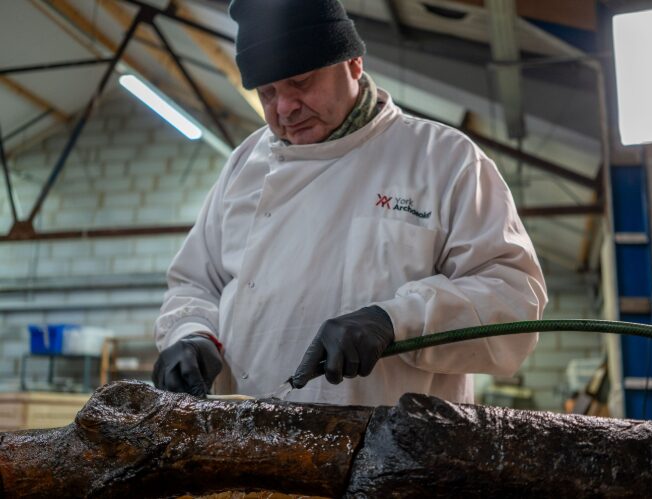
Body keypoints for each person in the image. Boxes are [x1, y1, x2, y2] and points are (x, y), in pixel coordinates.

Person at [151, 0, 547, 407]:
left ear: (354, 63)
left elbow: (513, 298)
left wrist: (395, 321)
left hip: (394, 452)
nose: (285, 108)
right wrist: (192, 334)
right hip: (246, 443)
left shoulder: (443, 159)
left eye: (301, 82)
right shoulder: (243, 165)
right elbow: (195, 283)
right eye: (267, 93)